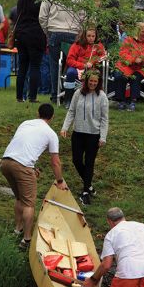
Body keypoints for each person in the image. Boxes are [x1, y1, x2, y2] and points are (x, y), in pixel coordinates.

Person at [0, 104, 68, 250]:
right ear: (52, 117)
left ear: (37, 114)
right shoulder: (51, 134)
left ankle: (17, 230)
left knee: (19, 198)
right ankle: (27, 240)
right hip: (22, 166)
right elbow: (55, 162)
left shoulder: (25, 123)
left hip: (5, 162)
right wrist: (60, 181)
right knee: (29, 204)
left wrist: (31, 168)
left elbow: (22, 145)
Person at [60, 70, 109, 205]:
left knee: (89, 162)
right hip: (78, 133)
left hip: (94, 134)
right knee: (76, 160)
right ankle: (89, 185)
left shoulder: (102, 96)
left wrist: (103, 137)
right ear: (86, 81)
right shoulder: (78, 93)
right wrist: (65, 127)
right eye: (91, 81)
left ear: (98, 82)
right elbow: (71, 111)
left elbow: (105, 119)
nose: (93, 83)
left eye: (95, 81)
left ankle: (86, 191)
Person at [39, 0, 84, 103]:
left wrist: (47, 31)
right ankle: (71, 94)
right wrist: (80, 32)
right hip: (73, 32)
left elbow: (42, 16)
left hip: (54, 31)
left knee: (54, 66)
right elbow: (83, 16)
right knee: (73, 64)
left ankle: (55, 95)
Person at [114, 22, 144, 111]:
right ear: (138, 31)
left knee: (135, 78)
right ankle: (121, 101)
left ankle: (132, 102)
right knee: (119, 77)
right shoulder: (129, 39)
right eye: (143, 31)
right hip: (126, 66)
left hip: (141, 68)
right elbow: (122, 54)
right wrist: (133, 59)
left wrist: (143, 59)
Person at [14, 0, 46, 103]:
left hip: (21, 34)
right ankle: (32, 97)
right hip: (35, 34)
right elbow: (43, 17)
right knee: (35, 66)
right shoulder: (40, 0)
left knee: (22, 67)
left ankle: (19, 96)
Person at [63, 26, 106, 108]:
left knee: (96, 75)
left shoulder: (98, 45)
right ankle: (68, 99)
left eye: (93, 36)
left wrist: (93, 62)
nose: (91, 38)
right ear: (84, 36)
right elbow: (69, 60)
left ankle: (95, 100)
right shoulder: (77, 45)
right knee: (70, 73)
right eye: (89, 36)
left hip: (92, 68)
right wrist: (82, 65)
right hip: (77, 67)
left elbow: (103, 56)